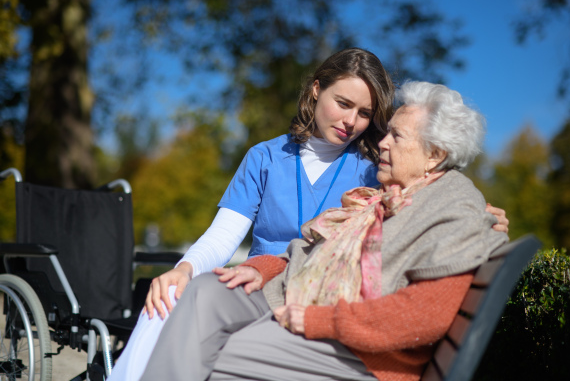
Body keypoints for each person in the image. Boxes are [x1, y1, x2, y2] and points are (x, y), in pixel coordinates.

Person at [138, 80, 510, 381]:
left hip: (360, 353)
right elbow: (308, 253)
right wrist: (259, 267)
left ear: (435, 155)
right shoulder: (381, 199)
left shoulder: (453, 204)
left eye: (396, 136)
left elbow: (423, 315)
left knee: (208, 348)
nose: (381, 141)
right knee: (204, 291)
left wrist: (319, 320)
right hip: (293, 300)